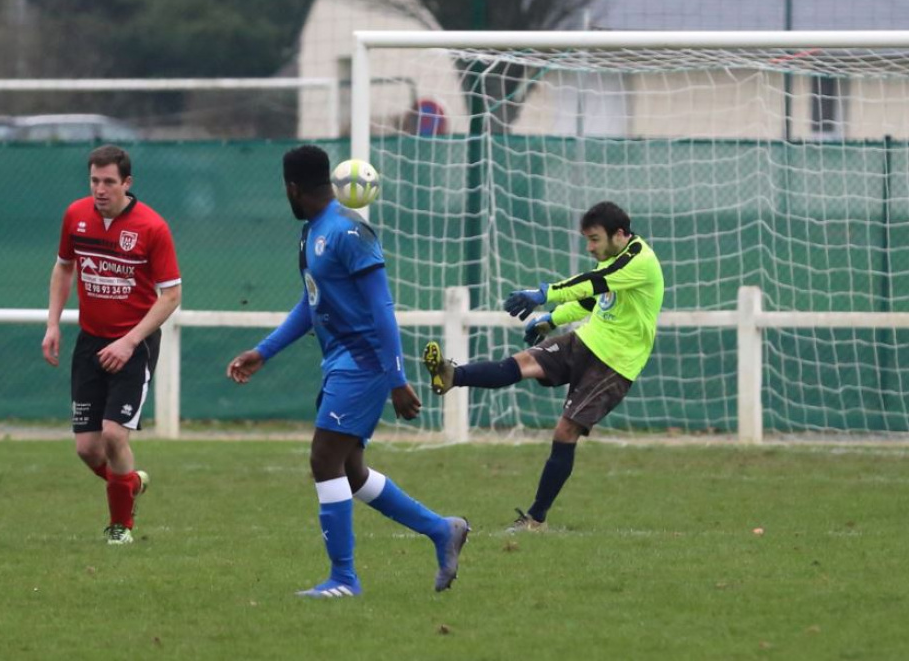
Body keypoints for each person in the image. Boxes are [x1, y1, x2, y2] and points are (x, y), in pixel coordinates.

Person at [226, 145, 470, 598]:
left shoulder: (349, 231)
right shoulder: (311, 233)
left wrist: (396, 379)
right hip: (342, 360)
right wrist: (264, 351)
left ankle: (343, 578)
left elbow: (382, 308)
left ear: (292, 188)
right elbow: (312, 302)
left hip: (364, 362)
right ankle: (442, 530)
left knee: (324, 459)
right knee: (351, 471)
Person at [423, 201, 664, 532]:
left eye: (595, 239)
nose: (590, 248)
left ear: (619, 234)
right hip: (586, 340)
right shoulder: (617, 260)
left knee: (565, 431)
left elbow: (594, 283)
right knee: (523, 362)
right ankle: (452, 376)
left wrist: (544, 293)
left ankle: (535, 519)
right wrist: (551, 319)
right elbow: (591, 300)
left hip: (615, 363)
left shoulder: (640, 261)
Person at [42, 144, 182, 545]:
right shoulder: (76, 215)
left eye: (108, 182)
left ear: (127, 183)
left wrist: (129, 342)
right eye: (94, 181)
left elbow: (171, 295)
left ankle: (121, 526)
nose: (99, 190)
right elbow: (64, 268)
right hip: (90, 342)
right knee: (87, 448)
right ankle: (129, 483)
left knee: (114, 436)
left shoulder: (152, 227)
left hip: (135, 345)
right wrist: (52, 324)